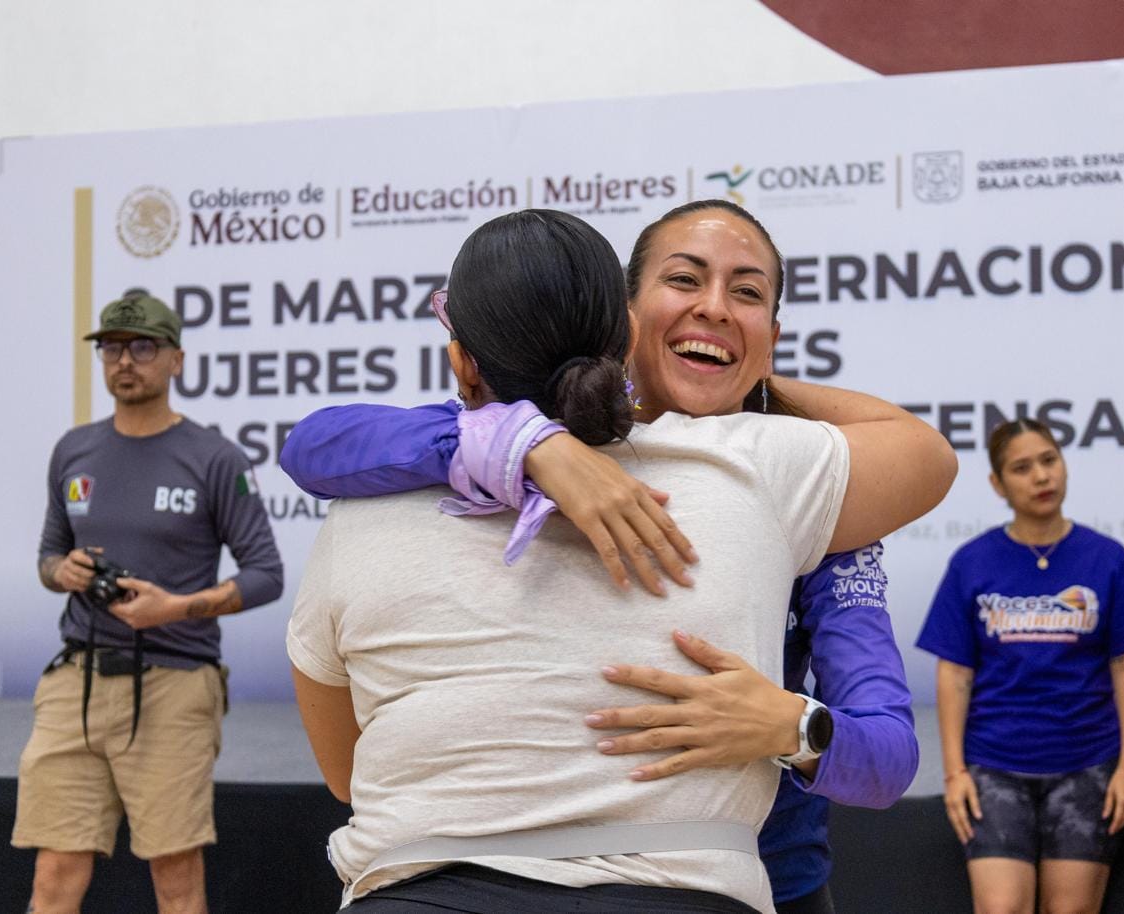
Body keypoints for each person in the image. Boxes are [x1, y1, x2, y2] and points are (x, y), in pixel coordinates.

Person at [282, 200, 953, 912]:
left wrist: (792, 726)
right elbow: (318, 444)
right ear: (626, 319)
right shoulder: (488, 451)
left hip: (751, 880)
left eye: (747, 295)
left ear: (774, 337)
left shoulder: (801, 490)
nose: (715, 308)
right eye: (684, 281)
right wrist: (533, 446)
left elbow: (888, 757)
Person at [13, 291, 284, 914]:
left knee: (175, 875)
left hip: (173, 682)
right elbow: (49, 557)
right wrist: (65, 571)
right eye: (111, 348)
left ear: (176, 360)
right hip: (76, 681)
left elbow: (266, 574)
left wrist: (176, 607)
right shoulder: (74, 449)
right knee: (54, 872)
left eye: (142, 347)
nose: (124, 361)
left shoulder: (214, 457)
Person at [916, 418, 1124, 914]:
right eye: (1022, 468)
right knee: (1002, 907)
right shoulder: (972, 562)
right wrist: (954, 773)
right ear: (998, 484)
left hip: (1088, 759)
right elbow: (955, 673)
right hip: (994, 762)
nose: (1041, 476)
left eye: (1049, 460)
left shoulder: (1108, 559)